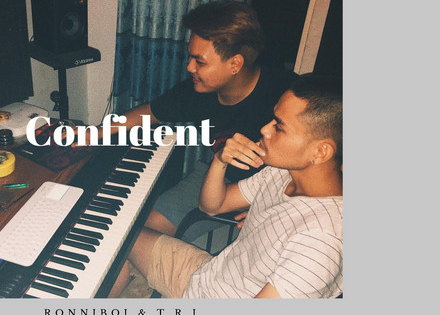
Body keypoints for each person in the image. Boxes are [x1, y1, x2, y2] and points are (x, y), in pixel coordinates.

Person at [109, 74, 343, 299]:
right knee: (116, 235)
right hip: (207, 275)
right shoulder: (282, 172)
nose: (265, 129)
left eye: (279, 127)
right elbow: (212, 206)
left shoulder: (320, 243)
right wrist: (220, 161)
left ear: (320, 152)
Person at [114, 0, 296, 241]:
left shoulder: (289, 96)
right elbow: (150, 111)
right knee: (137, 229)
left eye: (200, 62)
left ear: (235, 64)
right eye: (190, 58)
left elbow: (326, 163)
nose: (189, 67)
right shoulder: (199, 90)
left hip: (274, 190)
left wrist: (276, 203)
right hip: (217, 176)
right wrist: (92, 134)